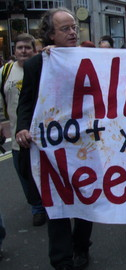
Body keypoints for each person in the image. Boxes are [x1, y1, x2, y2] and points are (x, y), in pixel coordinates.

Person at [16, 8, 93, 270]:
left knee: (85, 197)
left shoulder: (88, 59)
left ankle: (81, 246)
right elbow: (26, 101)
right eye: (65, 28)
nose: (73, 32)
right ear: (50, 34)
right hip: (52, 147)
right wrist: (22, 127)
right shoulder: (38, 64)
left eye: (74, 27)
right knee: (56, 201)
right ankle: (61, 260)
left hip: (84, 144)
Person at [0, 33, 47, 227]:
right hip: (17, 131)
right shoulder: (6, 71)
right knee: (24, 172)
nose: (23, 51)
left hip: (41, 132)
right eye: (20, 48)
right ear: (14, 50)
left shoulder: (41, 68)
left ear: (35, 50)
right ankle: (36, 206)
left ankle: (45, 203)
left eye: (28, 48)